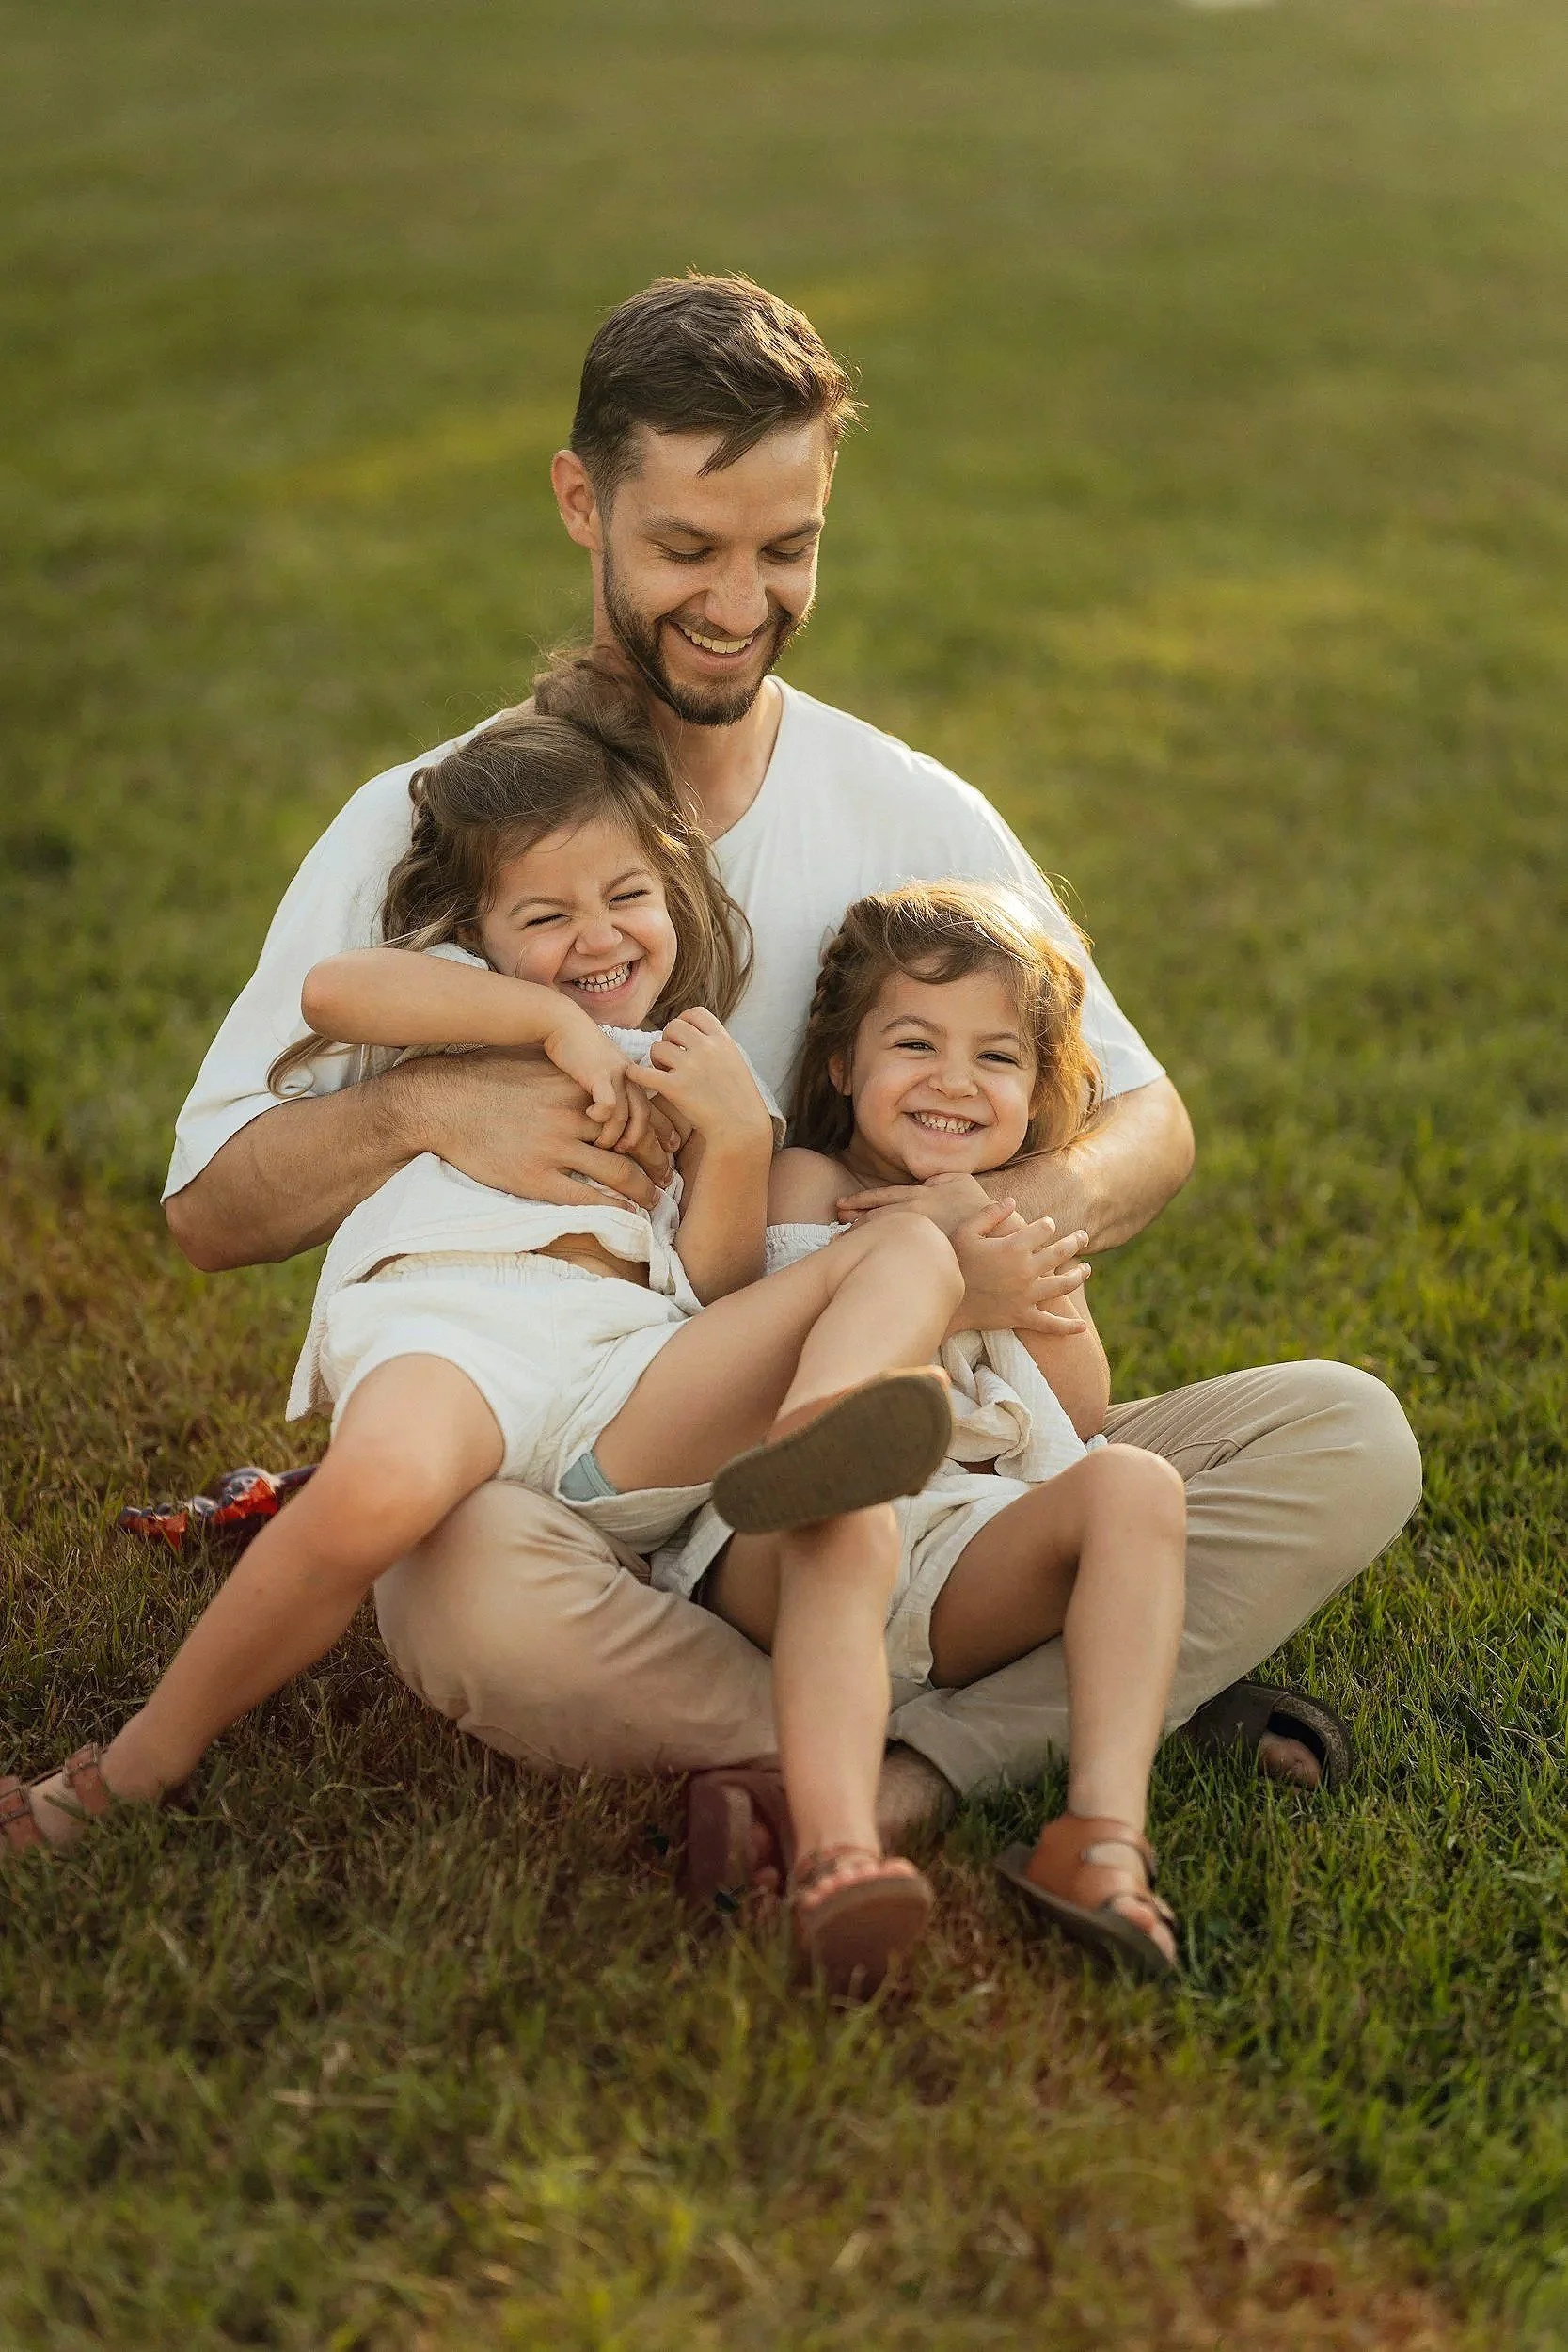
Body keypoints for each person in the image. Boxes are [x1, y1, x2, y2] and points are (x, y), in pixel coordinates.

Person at [155, 272, 1422, 1865]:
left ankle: (909, 1769)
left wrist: (965, 1239)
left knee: (1344, 1436)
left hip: (881, 1439)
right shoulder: (438, 824)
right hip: (590, 1475)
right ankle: (1063, 1700)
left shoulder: (906, 807)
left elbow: (1145, 1123)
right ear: (580, 503)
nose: (737, 602)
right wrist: (414, 1105)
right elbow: (210, 1211)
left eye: (786, 550)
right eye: (687, 547)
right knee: (461, 1594)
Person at [2, 663, 973, 1992]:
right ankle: (134, 1767)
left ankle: (822, 1435)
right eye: (544, 916)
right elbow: (335, 992)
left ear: (675, 893)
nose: (596, 938)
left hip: (628, 1374)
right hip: (460, 1329)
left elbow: (713, 1288)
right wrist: (546, 1026)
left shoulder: (702, 1066)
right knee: (376, 1489)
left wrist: (736, 1141)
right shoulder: (466, 1001)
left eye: (627, 897)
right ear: (476, 929)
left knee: (910, 1245)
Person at [661, 881, 1189, 1977]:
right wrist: (953, 1282)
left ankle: (1098, 1837)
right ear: (840, 1065)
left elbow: (1074, 1415)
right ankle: (837, 1852)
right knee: (845, 1499)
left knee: (1135, 1483)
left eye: (995, 1058)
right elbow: (778, 1357)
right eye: (914, 1044)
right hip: (786, 1546)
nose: (953, 1081)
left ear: (1035, 1095)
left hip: (952, 1558)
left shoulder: (1010, 1218)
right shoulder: (808, 1183)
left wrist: (993, 1244)